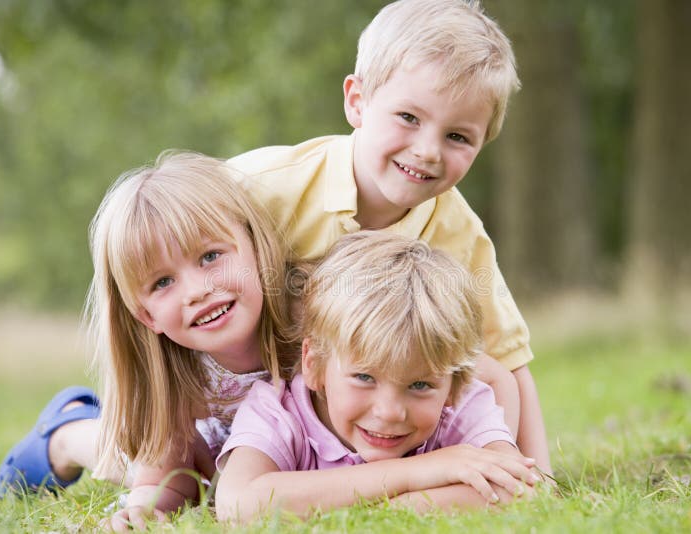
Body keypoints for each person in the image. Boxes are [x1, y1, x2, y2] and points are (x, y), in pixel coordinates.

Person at [227, 0, 550, 472]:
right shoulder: (263, 189)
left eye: (458, 137)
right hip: (232, 389)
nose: (427, 151)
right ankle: (78, 430)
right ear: (357, 101)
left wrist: (537, 471)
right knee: (152, 462)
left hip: (349, 406)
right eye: (409, 118)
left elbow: (507, 362)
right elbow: (155, 256)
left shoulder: (458, 232)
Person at [0, 151, 295, 530]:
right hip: (207, 450)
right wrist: (144, 510)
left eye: (210, 256)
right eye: (163, 282)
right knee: (140, 462)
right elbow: (161, 478)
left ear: (254, 243)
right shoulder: (178, 370)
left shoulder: (312, 321)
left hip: (259, 452)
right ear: (146, 315)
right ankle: (67, 431)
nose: (197, 291)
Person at [216, 232, 541, 521]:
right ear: (314, 365)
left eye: (420, 385)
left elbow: (517, 491)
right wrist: (416, 473)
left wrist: (355, 512)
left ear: (455, 386)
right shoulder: (277, 411)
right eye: (364, 378)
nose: (389, 412)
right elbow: (239, 502)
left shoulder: (462, 406)